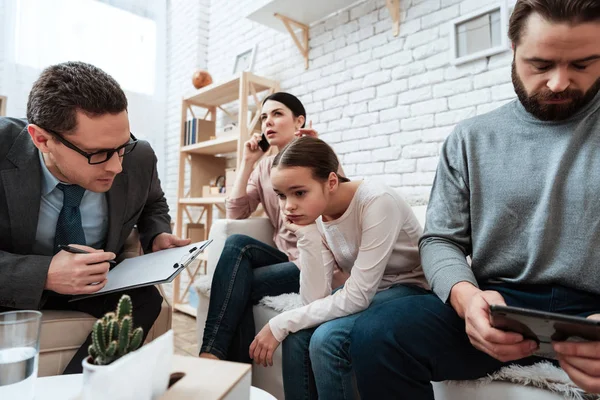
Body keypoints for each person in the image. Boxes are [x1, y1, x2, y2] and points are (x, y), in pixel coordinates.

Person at [349, 0, 600, 397]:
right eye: (541, 64)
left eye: (583, 65)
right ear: (513, 48)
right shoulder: (471, 138)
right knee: (377, 334)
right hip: (498, 303)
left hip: (593, 309)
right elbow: (440, 240)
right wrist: (466, 298)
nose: (558, 82)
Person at [0, 61, 190, 374]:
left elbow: (153, 202)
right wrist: (43, 273)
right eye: (99, 154)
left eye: (121, 147)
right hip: (14, 282)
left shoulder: (139, 157)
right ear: (41, 139)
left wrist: (156, 234)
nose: (116, 167)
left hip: (95, 284)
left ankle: (83, 389)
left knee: (145, 301)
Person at [248, 136, 429, 399]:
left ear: (332, 181)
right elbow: (313, 299)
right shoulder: (317, 214)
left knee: (325, 340)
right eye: (282, 196)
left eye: (299, 193)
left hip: (413, 290)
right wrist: (307, 235)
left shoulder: (377, 201)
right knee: (298, 336)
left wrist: (281, 322)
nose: (289, 206)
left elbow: (357, 296)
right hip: (373, 292)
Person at [199, 92, 341, 363]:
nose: (268, 123)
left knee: (235, 286)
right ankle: (215, 358)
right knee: (237, 243)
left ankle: (221, 362)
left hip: (314, 261)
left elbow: (340, 201)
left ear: (299, 120)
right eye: (264, 117)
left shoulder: (317, 155)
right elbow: (237, 212)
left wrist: (320, 151)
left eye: (277, 114)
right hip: (284, 254)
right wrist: (247, 162)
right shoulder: (264, 166)